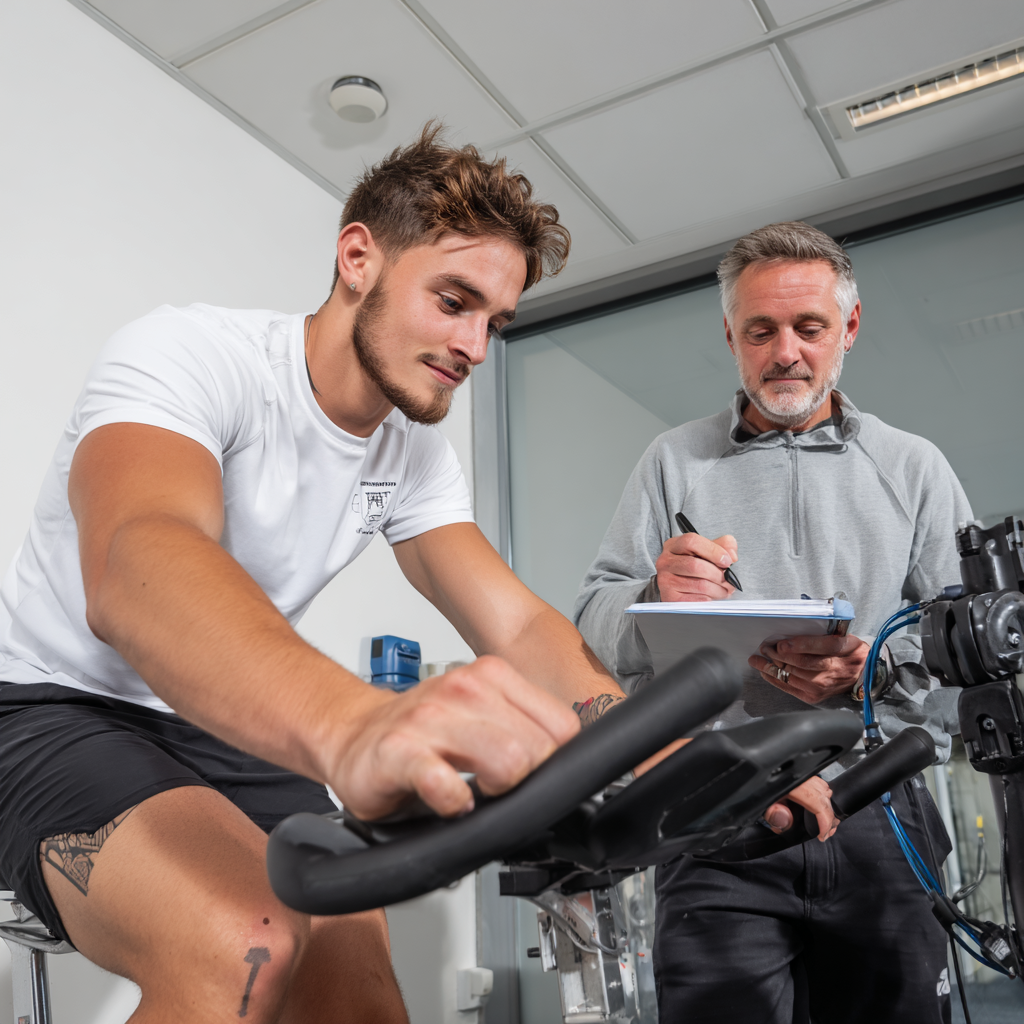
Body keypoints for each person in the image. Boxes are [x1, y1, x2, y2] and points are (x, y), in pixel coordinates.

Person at [0, 126, 640, 1024]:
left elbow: (520, 625)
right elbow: (137, 556)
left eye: (495, 322)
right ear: (357, 259)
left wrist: (654, 746)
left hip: (221, 732)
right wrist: (354, 726)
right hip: (56, 707)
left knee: (361, 996)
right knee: (247, 938)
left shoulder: (414, 451)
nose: (475, 346)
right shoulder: (193, 356)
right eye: (454, 300)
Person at [574, 221, 971, 1024]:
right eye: (761, 331)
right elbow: (591, 616)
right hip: (716, 815)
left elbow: (968, 642)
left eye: (809, 328)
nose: (785, 352)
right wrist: (654, 593)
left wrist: (874, 670)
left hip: (879, 807)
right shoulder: (672, 463)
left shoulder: (913, 467)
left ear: (848, 330)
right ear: (731, 337)